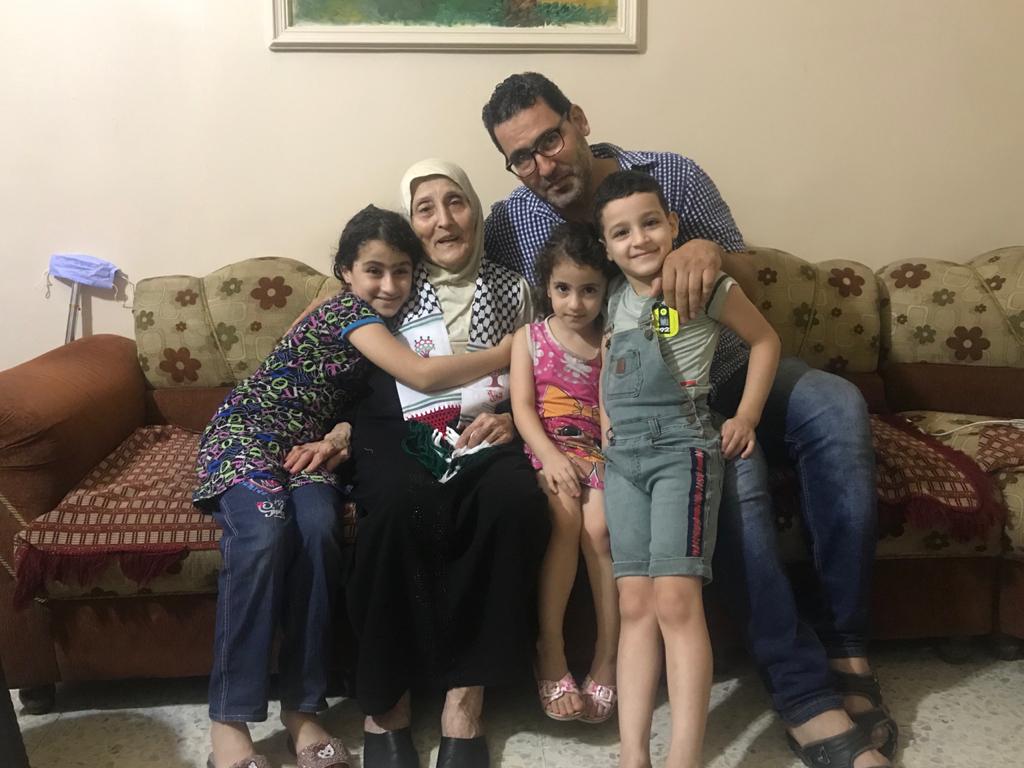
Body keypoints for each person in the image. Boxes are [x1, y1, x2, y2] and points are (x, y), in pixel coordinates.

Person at [481, 72, 896, 768]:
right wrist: (500, 405)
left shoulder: (672, 174)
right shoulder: (511, 222)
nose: (541, 165)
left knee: (837, 405)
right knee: (742, 480)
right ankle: (803, 694)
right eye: (520, 157)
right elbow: (494, 306)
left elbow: (747, 282)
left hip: (727, 363)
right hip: (648, 412)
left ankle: (848, 650)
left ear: (578, 119)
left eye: (548, 140)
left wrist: (710, 252)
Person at [194, 205, 514, 768]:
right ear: (345, 271)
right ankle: (229, 721)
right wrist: (516, 348)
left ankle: (302, 711)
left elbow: (360, 398)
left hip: (311, 450)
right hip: (249, 434)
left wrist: (340, 434)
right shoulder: (349, 311)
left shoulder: (399, 323)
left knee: (320, 531)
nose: (389, 285)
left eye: (401, 271)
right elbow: (421, 376)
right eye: (373, 270)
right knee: (266, 531)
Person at [341, 159, 549, 768]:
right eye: (425, 209)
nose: (444, 221)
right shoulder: (392, 282)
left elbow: (541, 366)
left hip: (489, 423)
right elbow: (340, 363)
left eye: (455, 202)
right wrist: (340, 427)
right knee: (399, 505)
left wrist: (514, 420)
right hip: (400, 424)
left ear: (476, 212)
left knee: (512, 501)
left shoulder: (515, 287)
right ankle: (388, 703)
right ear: (410, 223)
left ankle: (466, 700)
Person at [596, 170, 780, 768]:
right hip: (623, 460)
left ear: (673, 225)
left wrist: (747, 416)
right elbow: (608, 367)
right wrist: (606, 427)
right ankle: (632, 755)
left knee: (676, 600)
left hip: (683, 449)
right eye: (622, 232)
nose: (639, 239)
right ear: (606, 246)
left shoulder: (705, 285)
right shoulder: (614, 300)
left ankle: (683, 758)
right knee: (634, 605)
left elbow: (765, 341)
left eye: (650, 223)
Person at [508, 222, 619, 723]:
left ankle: (608, 657)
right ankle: (549, 650)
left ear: (606, 289)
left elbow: (610, 409)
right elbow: (522, 408)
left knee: (601, 529)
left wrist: (614, 461)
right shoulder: (528, 339)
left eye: (589, 290)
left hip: (596, 453)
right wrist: (551, 458)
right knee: (566, 519)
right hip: (546, 449)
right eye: (563, 289)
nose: (576, 303)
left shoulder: (611, 340)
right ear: (546, 287)